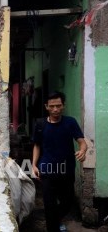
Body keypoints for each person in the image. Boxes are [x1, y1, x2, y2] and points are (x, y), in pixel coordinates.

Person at [31, 91, 87, 232]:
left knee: (67, 203)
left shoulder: (70, 122)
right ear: (46, 107)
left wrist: (82, 150)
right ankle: (53, 227)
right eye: (52, 106)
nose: (55, 109)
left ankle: (55, 221)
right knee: (49, 205)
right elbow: (37, 145)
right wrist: (33, 165)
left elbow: (82, 142)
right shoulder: (40, 124)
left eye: (58, 105)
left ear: (63, 106)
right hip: (47, 170)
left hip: (67, 170)